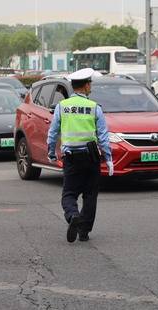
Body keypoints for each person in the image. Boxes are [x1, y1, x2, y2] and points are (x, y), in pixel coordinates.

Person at [47, 68, 113, 243]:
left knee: (69, 193)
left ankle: (73, 215)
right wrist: (109, 158)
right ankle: (84, 231)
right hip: (91, 157)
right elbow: (103, 137)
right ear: (85, 86)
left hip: (71, 157)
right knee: (90, 195)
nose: (91, 86)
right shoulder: (94, 108)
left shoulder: (62, 107)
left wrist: (51, 152)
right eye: (90, 83)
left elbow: (53, 132)